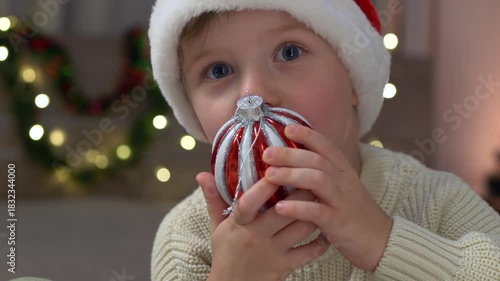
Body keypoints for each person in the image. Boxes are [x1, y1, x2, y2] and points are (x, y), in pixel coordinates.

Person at [148, 0, 500, 280]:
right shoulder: (187, 236)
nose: (253, 95)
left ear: (353, 81)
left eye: (289, 52)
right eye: (219, 70)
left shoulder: (432, 200)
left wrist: (385, 241)